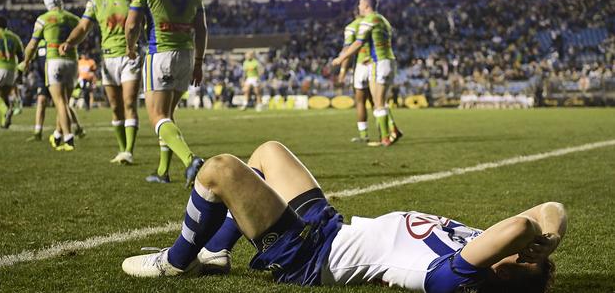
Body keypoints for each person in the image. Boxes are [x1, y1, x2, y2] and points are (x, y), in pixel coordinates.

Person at [123, 141, 566, 293]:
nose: (525, 248)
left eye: (524, 257)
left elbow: (520, 225)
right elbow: (549, 209)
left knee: (219, 169)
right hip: (330, 226)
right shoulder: (482, 247)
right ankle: (217, 251)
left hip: (308, 256)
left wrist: (533, 238)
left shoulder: (455, 278)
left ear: (504, 274)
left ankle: (176, 261)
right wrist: (553, 237)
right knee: (268, 152)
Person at [125, 0, 206, 183]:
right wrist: (199, 62)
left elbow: (131, 25)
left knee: (157, 116)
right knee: (168, 115)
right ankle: (163, 172)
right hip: (187, 54)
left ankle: (191, 160)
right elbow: (201, 28)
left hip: (160, 52)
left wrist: (130, 48)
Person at [61, 0, 140, 164]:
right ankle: (122, 150)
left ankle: (129, 151)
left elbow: (146, 24)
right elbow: (83, 27)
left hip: (130, 56)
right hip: (108, 58)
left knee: (129, 102)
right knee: (115, 107)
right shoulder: (96, 1)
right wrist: (70, 42)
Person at [333, 0, 402, 147]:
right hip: (389, 61)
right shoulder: (383, 19)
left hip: (377, 63)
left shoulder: (367, 21)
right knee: (379, 101)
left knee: (376, 103)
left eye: (360, 3)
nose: (358, 6)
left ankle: (384, 138)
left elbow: (357, 43)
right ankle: (391, 132)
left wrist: (341, 59)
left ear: (366, 5)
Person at [21, 0, 81, 151]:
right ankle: (57, 135)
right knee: (64, 103)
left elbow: (32, 45)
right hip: (72, 61)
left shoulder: (43, 19)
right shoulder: (73, 18)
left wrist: (26, 61)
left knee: (60, 103)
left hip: (54, 60)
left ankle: (68, 138)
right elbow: (82, 34)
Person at [23, 39, 85, 141]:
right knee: (41, 101)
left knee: (62, 103)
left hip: (55, 76)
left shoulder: (55, 39)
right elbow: (31, 53)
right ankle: (38, 132)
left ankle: (76, 128)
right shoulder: (38, 42)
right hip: (43, 77)